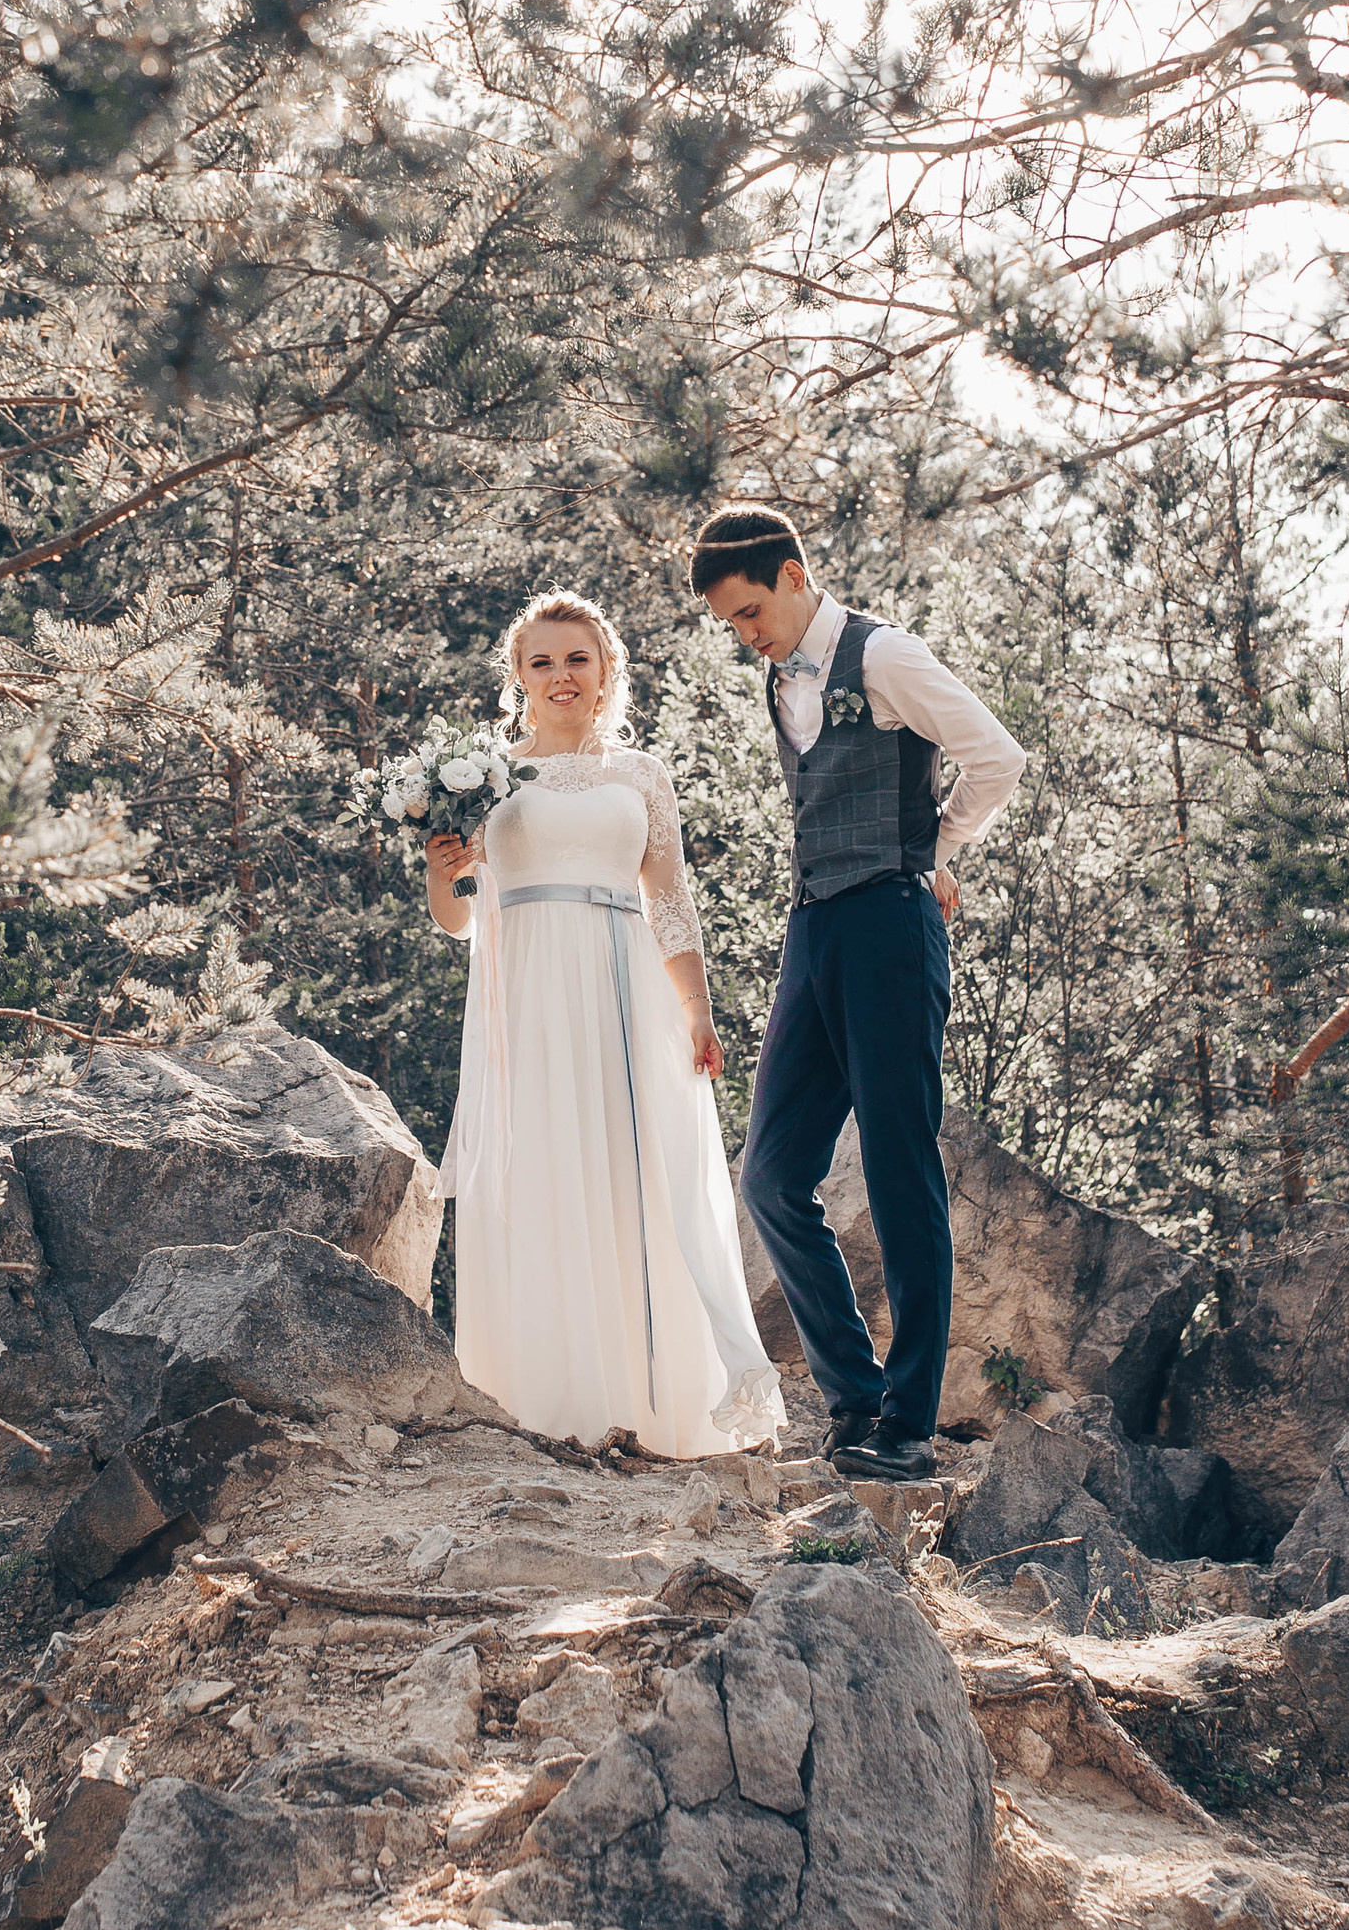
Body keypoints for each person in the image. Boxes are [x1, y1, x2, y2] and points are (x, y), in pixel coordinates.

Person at [691, 504, 1027, 1482]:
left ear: (794, 576)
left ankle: (909, 1428)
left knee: (895, 1167)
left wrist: (935, 852)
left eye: (752, 610)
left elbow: (997, 757)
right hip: (814, 927)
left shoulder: (883, 657)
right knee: (770, 1175)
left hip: (888, 922)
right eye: (732, 624)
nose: (747, 634)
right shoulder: (775, 680)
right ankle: (853, 1397)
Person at [426, 587, 785, 1457]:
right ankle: (544, 1399)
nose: (560, 675)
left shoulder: (642, 776)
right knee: (547, 1170)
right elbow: (458, 918)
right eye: (541, 661)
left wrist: (696, 1009)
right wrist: (443, 871)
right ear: (517, 675)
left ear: (605, 670)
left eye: (576, 659)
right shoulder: (483, 777)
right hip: (530, 995)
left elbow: (670, 904)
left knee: (640, 1179)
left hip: (631, 992)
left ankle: (657, 1403)